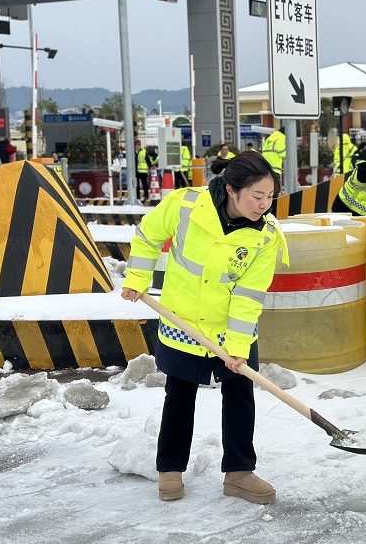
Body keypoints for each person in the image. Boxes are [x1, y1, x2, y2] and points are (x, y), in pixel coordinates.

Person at [121, 151, 289, 504]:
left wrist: (239, 347)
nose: (264, 204)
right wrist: (137, 277)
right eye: (257, 196)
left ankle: (240, 472)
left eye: (270, 196)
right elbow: (148, 235)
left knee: (241, 395)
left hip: (231, 329)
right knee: (179, 395)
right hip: (183, 322)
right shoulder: (185, 206)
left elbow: (248, 294)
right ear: (231, 189)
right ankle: (169, 469)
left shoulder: (266, 236)